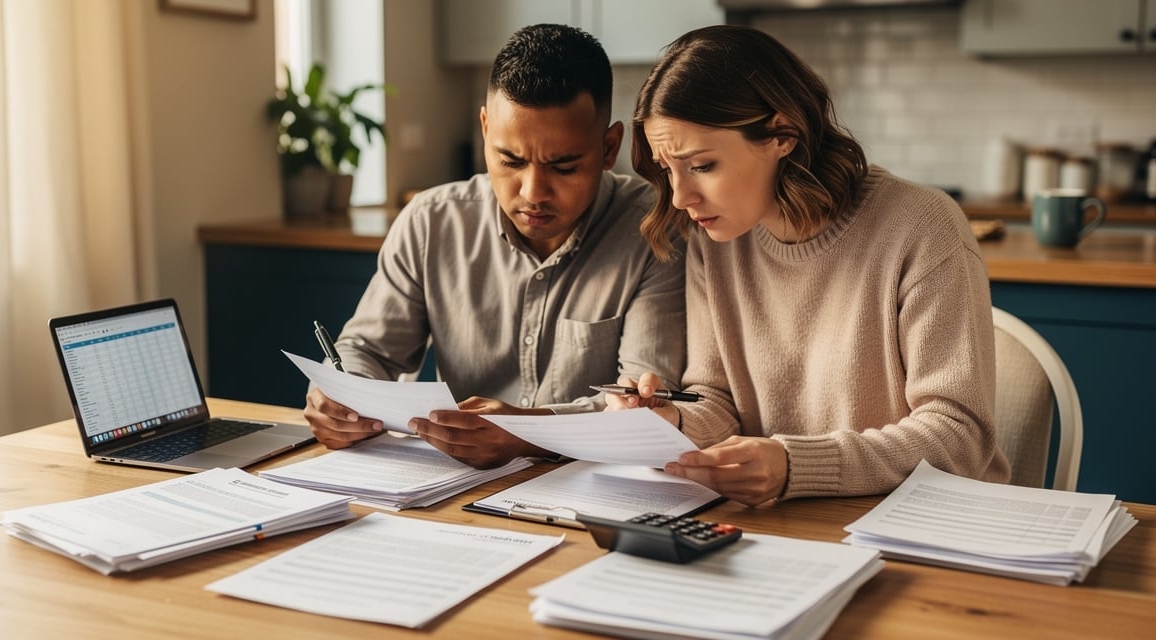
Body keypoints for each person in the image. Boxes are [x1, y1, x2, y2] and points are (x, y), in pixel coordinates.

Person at [607, 25, 1009, 506]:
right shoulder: (715, 237)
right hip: (797, 521)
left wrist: (796, 465)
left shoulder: (923, 227)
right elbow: (717, 399)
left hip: (930, 521)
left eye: (703, 166)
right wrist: (671, 419)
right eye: (667, 169)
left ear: (782, 135)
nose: (681, 196)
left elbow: (959, 436)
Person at [304, 24, 686, 469]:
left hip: (598, 488)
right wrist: (338, 394)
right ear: (485, 128)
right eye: (510, 160)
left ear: (608, 147)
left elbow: (645, 406)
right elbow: (368, 350)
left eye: (563, 166)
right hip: (455, 490)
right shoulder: (431, 222)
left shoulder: (656, 230)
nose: (533, 192)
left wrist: (528, 432)